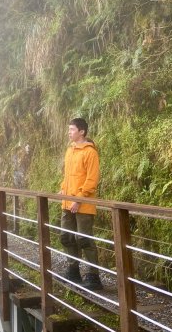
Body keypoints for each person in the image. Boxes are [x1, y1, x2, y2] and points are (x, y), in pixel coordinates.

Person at [59, 118, 103, 290]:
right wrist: (63, 188)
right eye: (69, 129)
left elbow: (92, 179)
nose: (69, 132)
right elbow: (68, 175)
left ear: (82, 132)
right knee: (67, 236)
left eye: (72, 129)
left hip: (83, 203)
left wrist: (79, 198)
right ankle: (73, 269)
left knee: (84, 238)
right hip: (67, 201)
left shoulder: (90, 152)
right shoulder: (70, 150)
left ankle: (93, 275)